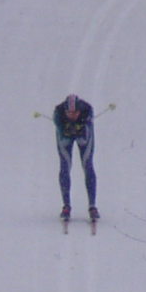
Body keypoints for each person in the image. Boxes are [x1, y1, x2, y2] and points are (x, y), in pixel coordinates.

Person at [52, 93, 98, 221]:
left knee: (87, 164)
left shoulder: (87, 110)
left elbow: (86, 135)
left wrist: (79, 128)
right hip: (65, 135)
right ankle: (66, 205)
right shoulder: (59, 113)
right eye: (69, 113)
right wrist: (66, 129)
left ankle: (92, 206)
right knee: (65, 165)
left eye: (75, 113)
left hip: (83, 133)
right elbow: (60, 132)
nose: (72, 115)